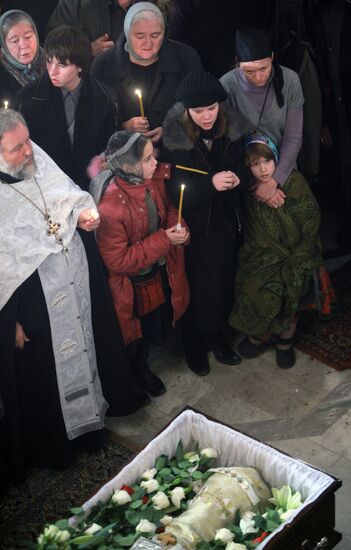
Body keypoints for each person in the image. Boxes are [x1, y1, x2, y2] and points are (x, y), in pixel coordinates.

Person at [0, 110, 145, 485]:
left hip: (76, 281)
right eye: (17, 148)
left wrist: (83, 214)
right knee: (49, 371)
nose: (29, 151)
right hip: (33, 302)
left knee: (86, 348)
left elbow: (68, 194)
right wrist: (8, 322)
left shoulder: (36, 156)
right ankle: (58, 449)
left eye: (28, 140)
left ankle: (91, 431)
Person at [162, 70, 253, 375]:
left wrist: (237, 178)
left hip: (227, 222)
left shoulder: (232, 130)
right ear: (187, 111)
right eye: (199, 111)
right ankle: (194, 343)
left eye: (211, 109)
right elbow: (174, 190)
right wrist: (210, 184)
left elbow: (244, 166)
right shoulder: (175, 142)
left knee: (223, 281)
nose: (206, 117)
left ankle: (216, 336)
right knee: (196, 284)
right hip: (194, 226)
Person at [93, 130, 190, 397]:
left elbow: (169, 208)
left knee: (149, 327)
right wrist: (164, 239)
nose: (156, 162)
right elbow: (117, 260)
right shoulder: (110, 207)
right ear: (128, 166)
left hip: (154, 271)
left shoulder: (151, 179)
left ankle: (143, 361)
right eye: (148, 159)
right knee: (134, 332)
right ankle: (135, 370)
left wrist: (177, 226)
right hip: (129, 284)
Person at [230, 133, 325, 368]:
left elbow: (311, 219)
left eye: (267, 161)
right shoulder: (250, 194)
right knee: (255, 288)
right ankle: (259, 334)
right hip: (264, 256)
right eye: (255, 164)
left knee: (291, 293)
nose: (263, 169)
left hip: (296, 255)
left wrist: (294, 254)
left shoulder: (295, 183)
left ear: (277, 159)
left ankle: (285, 342)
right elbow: (251, 230)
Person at [16, 25, 117, 192]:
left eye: (62, 65)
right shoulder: (27, 99)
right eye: (49, 61)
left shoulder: (104, 97)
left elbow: (108, 150)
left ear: (80, 66)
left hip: (90, 190)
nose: (52, 71)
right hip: (45, 190)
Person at [91, 1, 202, 145]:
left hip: (176, 153)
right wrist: (123, 127)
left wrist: (170, 129)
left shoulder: (186, 58)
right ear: (127, 33)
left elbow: (202, 108)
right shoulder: (103, 66)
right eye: (140, 36)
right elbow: (92, 120)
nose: (148, 43)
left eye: (155, 35)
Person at [220, 27, 304, 210]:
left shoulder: (290, 81)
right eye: (249, 71)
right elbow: (226, 143)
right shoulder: (226, 85)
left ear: (272, 57)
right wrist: (254, 183)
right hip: (245, 174)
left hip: (284, 168)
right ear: (237, 64)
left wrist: (274, 181)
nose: (258, 77)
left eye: (263, 69)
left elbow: (293, 136)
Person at [45, 0, 138, 58]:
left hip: (141, 81)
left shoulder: (150, 4)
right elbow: (52, 44)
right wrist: (86, 50)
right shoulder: (76, 3)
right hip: (90, 83)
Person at [0, 9, 45, 108]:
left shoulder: (54, 60)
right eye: (15, 41)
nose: (24, 45)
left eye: (28, 37)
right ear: (4, 46)